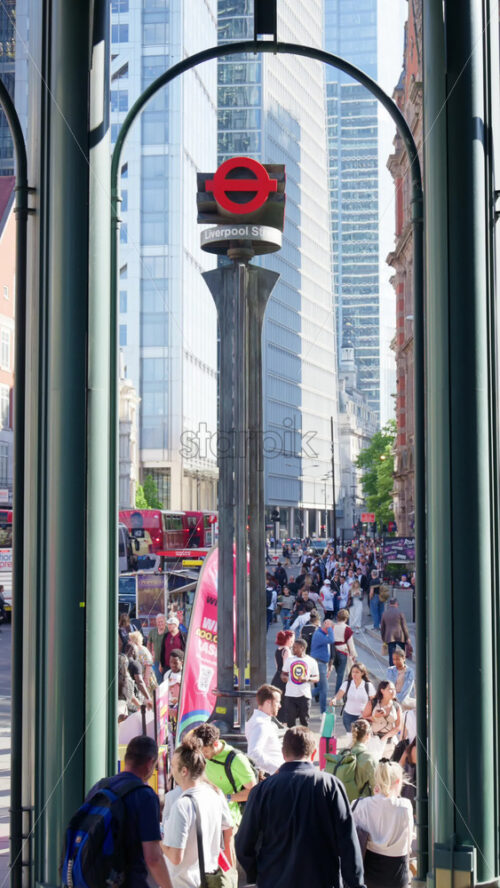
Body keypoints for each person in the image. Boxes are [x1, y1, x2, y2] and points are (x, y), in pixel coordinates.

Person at [235, 726, 366, 888]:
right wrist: (355, 884)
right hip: (321, 880)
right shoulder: (330, 785)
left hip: (274, 880)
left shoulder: (262, 790)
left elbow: (243, 843)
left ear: (283, 754)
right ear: (314, 753)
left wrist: (258, 873)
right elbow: (348, 842)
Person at [87, 735, 172, 888]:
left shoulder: (100, 786)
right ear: (150, 763)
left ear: (126, 758)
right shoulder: (145, 796)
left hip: (92, 879)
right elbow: (153, 858)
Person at [161, 735, 236, 888]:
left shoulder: (182, 804)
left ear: (184, 771)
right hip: (209, 880)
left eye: (173, 766)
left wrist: (158, 839)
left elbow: (176, 857)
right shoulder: (214, 795)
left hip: (184, 883)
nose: (171, 770)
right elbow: (228, 830)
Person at [352, 760, 414, 888]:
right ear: (397, 782)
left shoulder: (360, 805)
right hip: (398, 875)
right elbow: (408, 845)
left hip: (369, 873)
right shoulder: (405, 806)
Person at [191, 723, 256, 828]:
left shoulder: (237, 760)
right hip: (207, 815)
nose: (203, 756)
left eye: (206, 752)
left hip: (229, 820)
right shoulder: (202, 755)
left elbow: (253, 791)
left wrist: (227, 797)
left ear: (216, 744)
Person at [327, 718, 377, 802]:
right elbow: (375, 786)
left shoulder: (343, 752)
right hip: (359, 804)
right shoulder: (369, 757)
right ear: (367, 735)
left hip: (340, 801)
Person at [245, 684, 284, 775]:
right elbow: (254, 753)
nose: (280, 706)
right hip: (272, 775)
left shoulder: (262, 721)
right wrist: (278, 769)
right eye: (277, 702)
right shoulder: (260, 724)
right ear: (268, 702)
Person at [280, 637, 320, 728]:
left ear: (302, 648)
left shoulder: (311, 661)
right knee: (290, 722)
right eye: (292, 647)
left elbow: (317, 678)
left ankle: (303, 741)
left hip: (304, 695)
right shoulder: (289, 660)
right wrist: (284, 678)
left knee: (304, 722)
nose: (292, 649)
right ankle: (291, 741)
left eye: (295, 647)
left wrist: (307, 679)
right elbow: (283, 673)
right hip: (290, 695)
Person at [362, 681, 402, 759]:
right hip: (373, 740)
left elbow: (398, 727)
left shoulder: (396, 706)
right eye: (390, 689)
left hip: (390, 742)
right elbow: (362, 720)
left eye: (394, 689)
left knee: (386, 766)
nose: (393, 691)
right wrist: (374, 717)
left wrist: (385, 737)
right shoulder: (372, 703)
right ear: (382, 690)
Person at [332, 663, 376, 733]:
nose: (354, 674)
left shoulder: (368, 686)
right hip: (348, 716)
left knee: (360, 738)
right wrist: (334, 699)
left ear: (362, 673)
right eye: (353, 672)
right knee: (350, 736)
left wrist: (371, 714)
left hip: (362, 717)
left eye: (357, 672)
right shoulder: (347, 684)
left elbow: (374, 701)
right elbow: (339, 694)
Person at [310, 618, 335, 714]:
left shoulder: (322, 634)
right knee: (325, 688)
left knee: (321, 688)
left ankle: (304, 696)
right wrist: (329, 628)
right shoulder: (319, 634)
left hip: (322, 663)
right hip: (319, 663)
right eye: (331, 629)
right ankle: (323, 711)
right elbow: (332, 640)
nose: (332, 631)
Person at [332, 609, 357, 693]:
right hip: (343, 651)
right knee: (341, 675)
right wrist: (353, 655)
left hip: (333, 652)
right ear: (346, 618)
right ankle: (338, 694)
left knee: (338, 673)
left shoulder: (333, 627)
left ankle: (339, 693)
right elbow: (351, 644)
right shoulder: (347, 629)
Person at [380, 598, 410, 666]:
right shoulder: (400, 613)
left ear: (390, 604)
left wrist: (383, 638)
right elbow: (404, 626)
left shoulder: (385, 613)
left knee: (391, 655)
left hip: (389, 636)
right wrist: (407, 637)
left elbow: (382, 627)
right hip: (400, 635)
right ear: (396, 604)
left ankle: (392, 668)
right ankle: (402, 665)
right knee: (402, 652)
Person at [270, 629, 294, 696]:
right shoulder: (286, 650)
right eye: (292, 639)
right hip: (283, 679)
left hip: (277, 676)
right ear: (288, 639)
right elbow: (286, 667)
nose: (293, 641)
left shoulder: (278, 649)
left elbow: (277, 666)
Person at [148, 613, 168, 681]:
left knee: (166, 680)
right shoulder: (152, 632)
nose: (160, 623)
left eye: (161, 621)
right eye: (158, 622)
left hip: (166, 661)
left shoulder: (168, 631)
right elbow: (149, 644)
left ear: (165, 622)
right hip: (156, 660)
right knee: (157, 680)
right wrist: (150, 655)